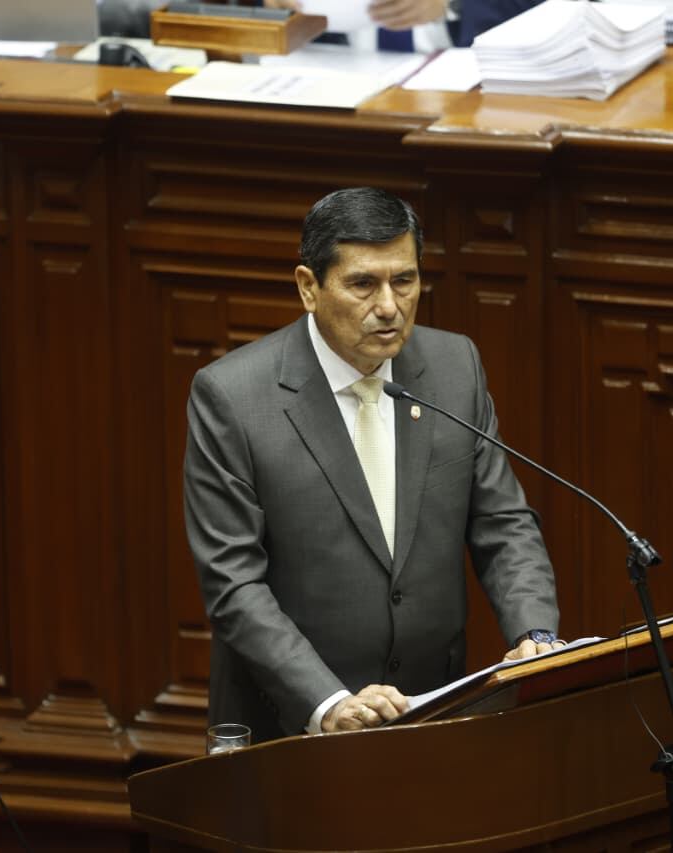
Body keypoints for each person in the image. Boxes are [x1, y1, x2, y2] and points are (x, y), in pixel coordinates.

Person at [184, 187, 561, 742]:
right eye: (363, 284)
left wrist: (536, 634)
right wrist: (329, 701)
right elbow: (234, 584)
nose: (389, 305)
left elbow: (501, 523)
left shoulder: (455, 367)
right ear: (309, 288)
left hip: (433, 714)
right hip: (293, 731)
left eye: (403, 281)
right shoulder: (233, 398)